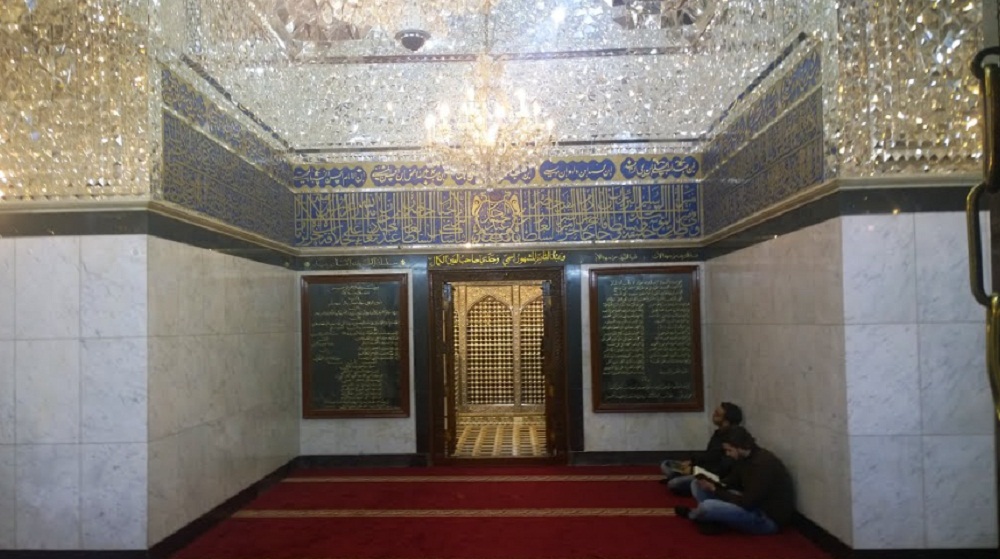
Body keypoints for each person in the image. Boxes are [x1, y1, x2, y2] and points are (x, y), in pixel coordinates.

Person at [674, 426, 794, 535]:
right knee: (696, 484)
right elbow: (730, 482)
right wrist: (711, 481)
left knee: (707, 506)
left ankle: (694, 515)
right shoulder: (743, 458)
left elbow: (747, 502)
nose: (727, 454)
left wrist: (715, 489)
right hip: (750, 504)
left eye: (729, 450)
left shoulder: (762, 465)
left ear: (740, 447)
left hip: (765, 518)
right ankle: (715, 519)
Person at [659, 402, 743, 496]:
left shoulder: (733, 439)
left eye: (717, 414)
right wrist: (692, 462)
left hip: (712, 477)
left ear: (726, 421)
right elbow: (709, 456)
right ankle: (683, 477)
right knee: (667, 464)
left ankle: (689, 483)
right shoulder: (718, 433)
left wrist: (694, 470)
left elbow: (720, 469)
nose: (713, 416)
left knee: (674, 484)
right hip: (701, 469)